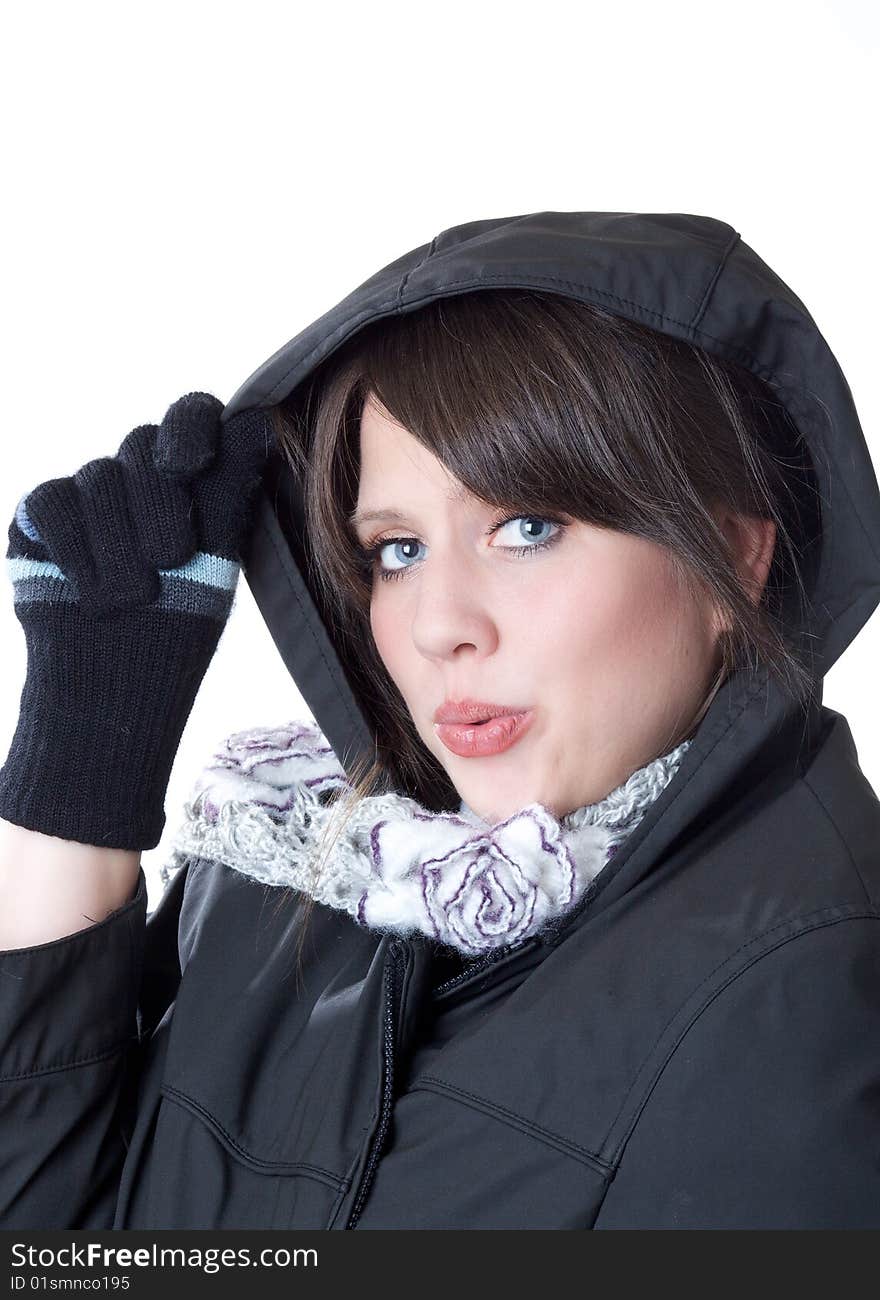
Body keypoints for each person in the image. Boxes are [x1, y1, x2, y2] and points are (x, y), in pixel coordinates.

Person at [0, 209, 878, 1230]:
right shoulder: (299, 867)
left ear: (733, 559)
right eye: (397, 549)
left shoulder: (802, 1003)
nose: (438, 628)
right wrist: (82, 769)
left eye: (526, 527)